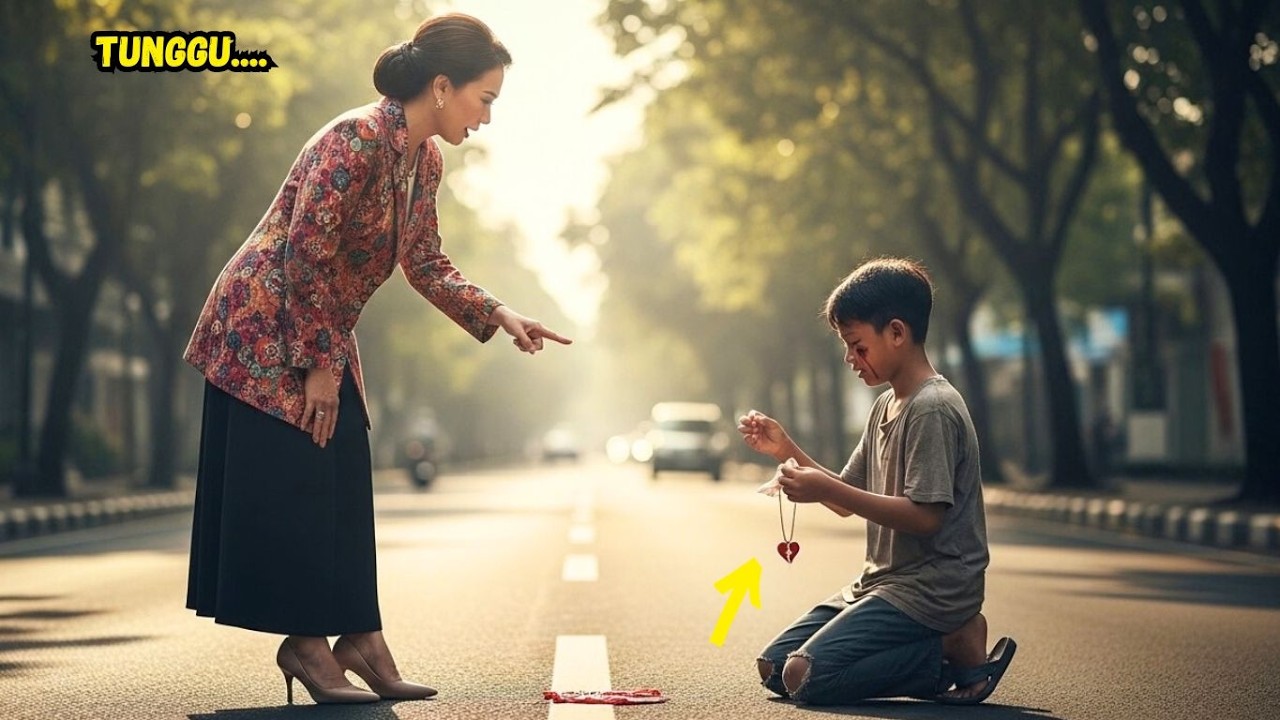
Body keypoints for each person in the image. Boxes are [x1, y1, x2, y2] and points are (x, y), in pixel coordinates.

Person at [182, 13, 570, 706]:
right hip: (265, 322)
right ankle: (304, 646)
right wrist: (318, 363)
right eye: (486, 100)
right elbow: (306, 250)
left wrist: (497, 312)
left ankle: (359, 637)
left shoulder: (423, 158)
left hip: (317, 322)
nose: (487, 118)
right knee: (301, 474)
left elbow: (424, 262)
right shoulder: (355, 136)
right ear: (443, 87)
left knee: (343, 470)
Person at [738, 257, 1015, 706]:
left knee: (804, 677)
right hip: (881, 583)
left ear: (897, 333)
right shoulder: (886, 404)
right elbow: (847, 495)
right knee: (774, 668)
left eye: (857, 345)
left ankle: (951, 645)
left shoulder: (932, 407)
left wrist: (825, 488)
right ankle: (938, 647)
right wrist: (785, 448)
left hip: (933, 588)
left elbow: (925, 518)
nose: (850, 359)